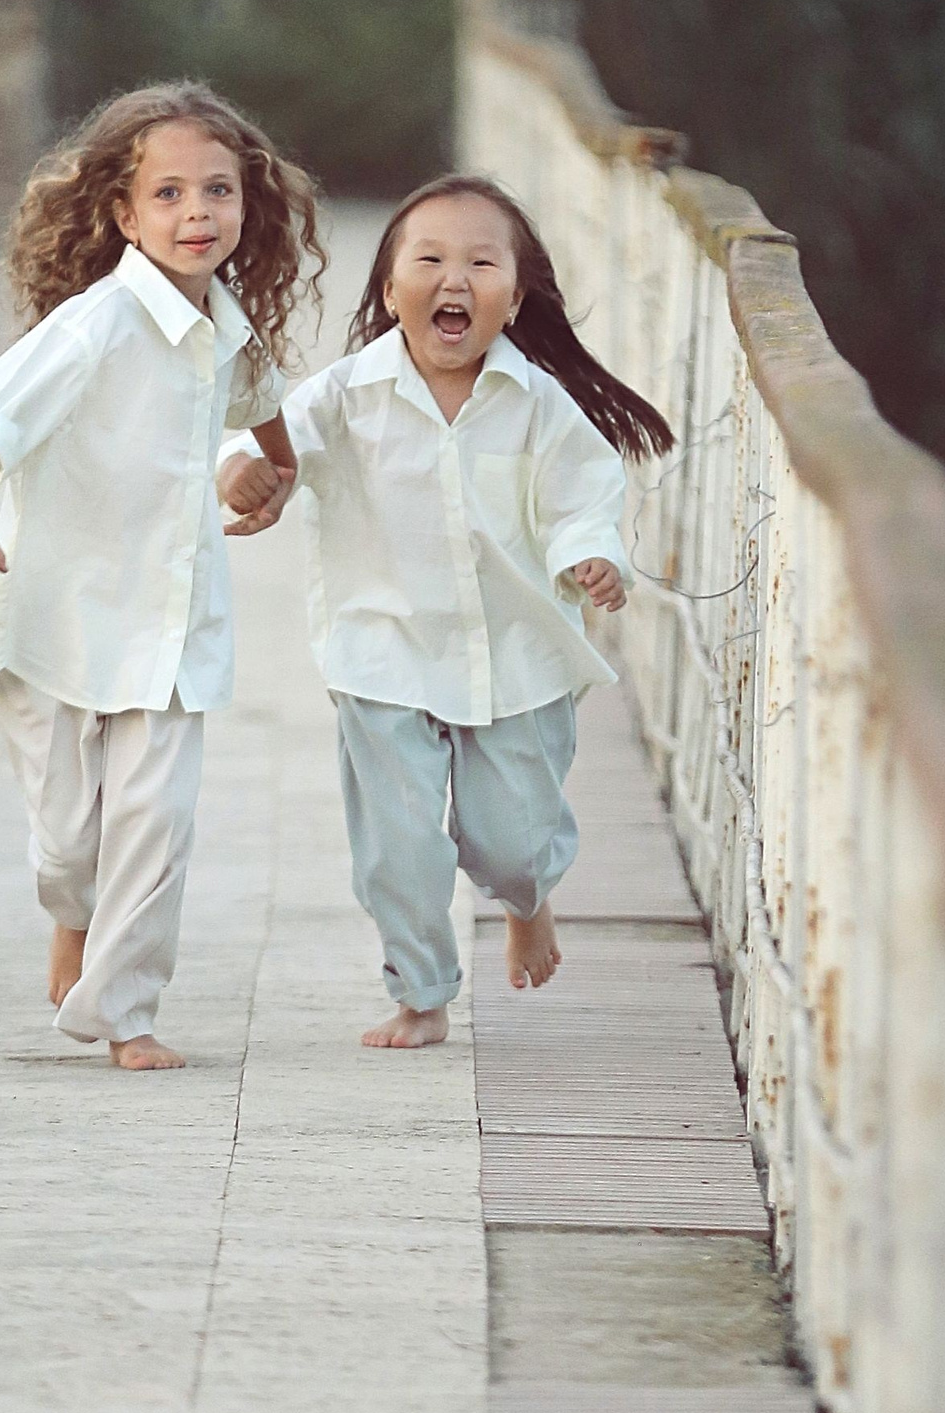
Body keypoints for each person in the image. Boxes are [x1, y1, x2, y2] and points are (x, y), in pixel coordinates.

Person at [219, 175, 674, 1049]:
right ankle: (421, 991)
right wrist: (243, 468)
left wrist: (593, 555)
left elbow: (584, 496)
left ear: (517, 298)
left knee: (510, 841)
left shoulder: (540, 404)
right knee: (398, 843)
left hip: (516, 655)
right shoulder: (348, 394)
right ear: (392, 292)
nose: (453, 279)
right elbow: (272, 438)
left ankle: (527, 898)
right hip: (383, 649)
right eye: (428, 260)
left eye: (480, 263)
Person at [0, 83, 321, 1070]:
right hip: (55, 617)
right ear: (124, 215)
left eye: (218, 190)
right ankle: (73, 912)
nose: (198, 213)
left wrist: (276, 471)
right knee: (71, 842)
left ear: (246, 204)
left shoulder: (226, 322)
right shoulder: (92, 326)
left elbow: (261, 397)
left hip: (171, 620)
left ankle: (125, 1013)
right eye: (169, 194)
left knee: (156, 821)